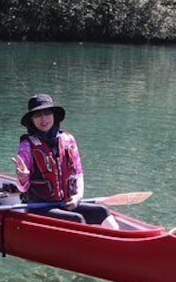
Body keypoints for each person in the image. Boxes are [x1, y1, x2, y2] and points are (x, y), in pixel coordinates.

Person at [12, 94, 119, 229]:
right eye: (37, 115)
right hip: (40, 207)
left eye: (47, 113)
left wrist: (77, 197)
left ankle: (116, 244)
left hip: (65, 202)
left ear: (54, 115)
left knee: (102, 212)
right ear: (32, 120)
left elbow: (78, 173)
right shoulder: (27, 146)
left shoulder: (68, 139)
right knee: (77, 219)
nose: (43, 119)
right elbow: (23, 188)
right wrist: (22, 178)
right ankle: (90, 247)